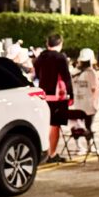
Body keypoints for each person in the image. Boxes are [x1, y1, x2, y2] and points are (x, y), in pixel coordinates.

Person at [33, 33, 74, 163]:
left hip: (43, 95)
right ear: (60, 44)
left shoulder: (40, 57)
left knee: (44, 124)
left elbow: (37, 74)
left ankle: (43, 152)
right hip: (58, 96)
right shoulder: (60, 57)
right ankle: (52, 153)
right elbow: (66, 76)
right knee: (55, 125)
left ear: (47, 44)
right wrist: (71, 94)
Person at [71, 48, 99, 135]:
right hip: (89, 105)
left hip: (76, 105)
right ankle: (89, 142)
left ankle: (79, 145)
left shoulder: (74, 72)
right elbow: (95, 88)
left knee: (78, 125)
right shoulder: (91, 72)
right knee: (88, 126)